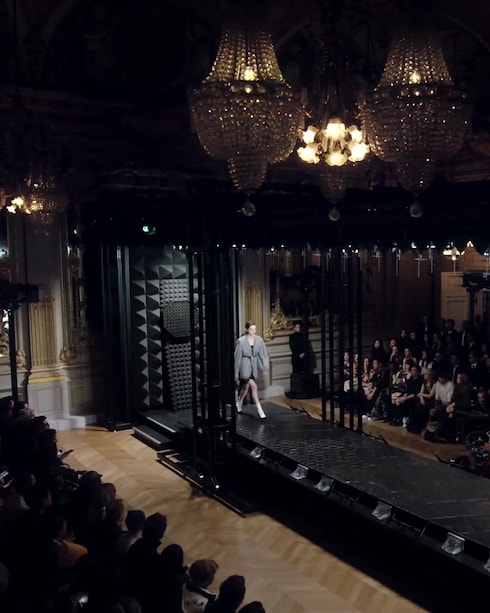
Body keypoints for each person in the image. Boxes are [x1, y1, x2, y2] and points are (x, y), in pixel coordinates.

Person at [234, 322, 269, 419]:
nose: (253, 331)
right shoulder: (241, 341)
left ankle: (239, 403)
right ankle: (259, 409)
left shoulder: (259, 340)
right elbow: (237, 357)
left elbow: (263, 355)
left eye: (254, 329)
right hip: (244, 366)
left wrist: (264, 368)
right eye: (251, 329)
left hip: (253, 367)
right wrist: (236, 372)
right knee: (254, 386)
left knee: (245, 388)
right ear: (247, 329)